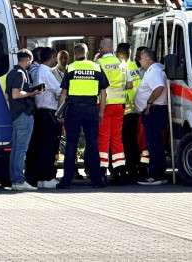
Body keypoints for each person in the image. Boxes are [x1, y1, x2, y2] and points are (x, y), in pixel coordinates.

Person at [56, 42, 108, 189]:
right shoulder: (96, 67)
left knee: (71, 144)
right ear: (86, 53)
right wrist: (101, 111)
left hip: (73, 110)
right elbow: (104, 93)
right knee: (92, 143)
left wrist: (60, 112)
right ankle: (97, 180)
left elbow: (63, 93)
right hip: (91, 109)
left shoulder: (71, 68)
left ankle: (66, 181)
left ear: (75, 54)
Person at [95, 38, 131, 183]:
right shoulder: (122, 63)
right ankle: (120, 171)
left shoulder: (98, 64)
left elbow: (96, 86)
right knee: (116, 138)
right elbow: (129, 84)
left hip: (104, 105)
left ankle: (102, 170)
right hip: (119, 106)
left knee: (103, 138)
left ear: (102, 49)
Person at [27, 47, 62, 188]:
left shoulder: (39, 71)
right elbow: (59, 90)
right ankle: (47, 177)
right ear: (53, 57)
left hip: (41, 111)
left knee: (40, 146)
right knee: (50, 147)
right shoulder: (46, 72)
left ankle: (41, 177)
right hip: (49, 112)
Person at [134, 47, 169, 186]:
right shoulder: (156, 68)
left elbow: (159, 87)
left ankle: (155, 175)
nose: (139, 61)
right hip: (155, 111)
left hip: (154, 111)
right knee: (156, 144)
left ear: (148, 59)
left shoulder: (154, 71)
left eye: (141, 58)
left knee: (154, 145)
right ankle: (158, 172)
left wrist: (149, 102)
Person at [6, 49, 39, 191]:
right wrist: (33, 92)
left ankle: (15, 180)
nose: (30, 64)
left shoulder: (11, 73)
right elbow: (15, 94)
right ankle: (19, 180)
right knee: (21, 149)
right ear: (26, 60)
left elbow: (7, 96)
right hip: (24, 114)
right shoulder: (20, 74)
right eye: (30, 62)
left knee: (15, 149)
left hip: (15, 114)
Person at [117, 43, 144, 182]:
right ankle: (133, 169)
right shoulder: (133, 66)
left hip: (126, 110)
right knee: (131, 142)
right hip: (133, 110)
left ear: (119, 53)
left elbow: (130, 88)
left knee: (127, 142)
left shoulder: (124, 66)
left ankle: (131, 169)